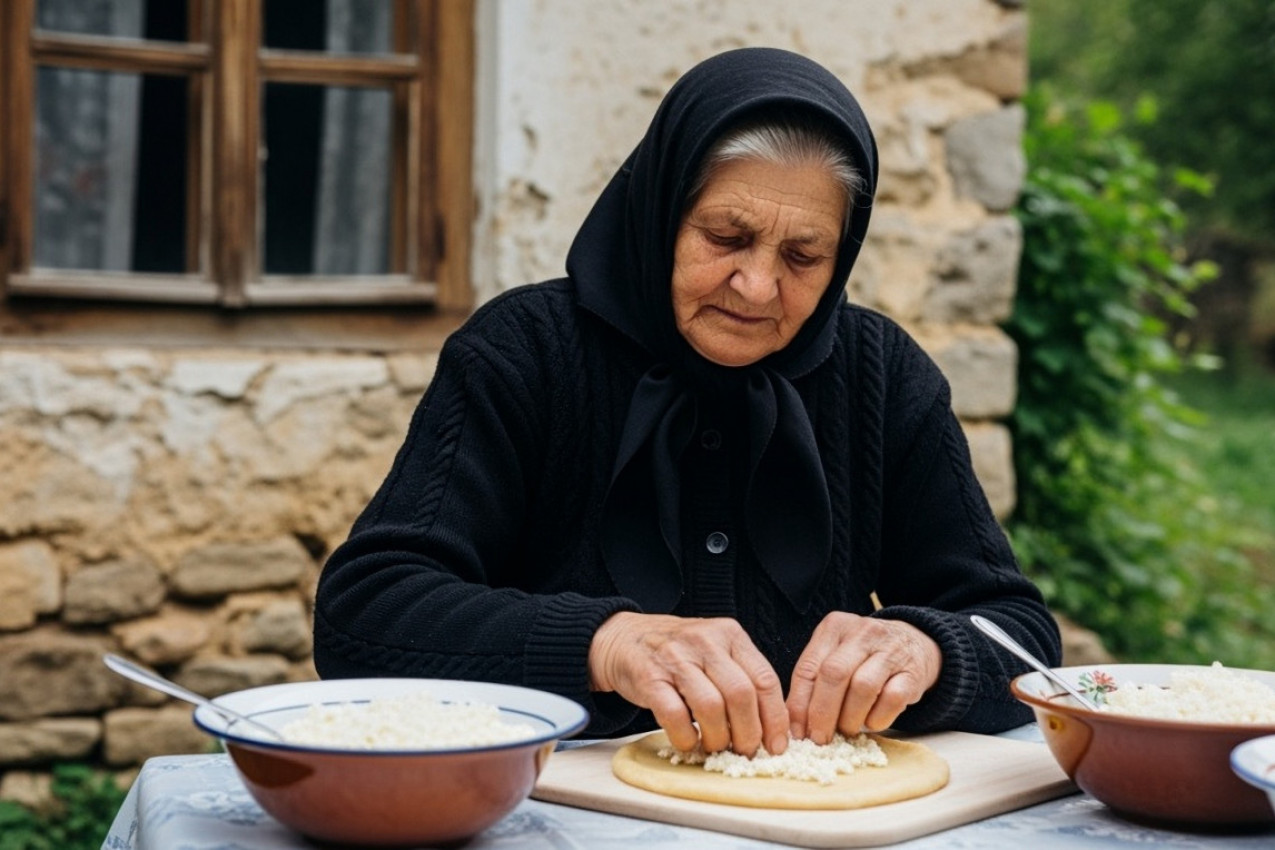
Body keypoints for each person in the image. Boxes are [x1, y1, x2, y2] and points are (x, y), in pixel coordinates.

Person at [313, 47, 1061, 758]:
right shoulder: (523, 353)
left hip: (808, 817)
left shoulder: (881, 375)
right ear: (659, 213)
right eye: (725, 236)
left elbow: (1024, 640)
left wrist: (925, 649)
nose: (757, 286)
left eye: (803, 256)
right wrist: (608, 645)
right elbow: (365, 615)